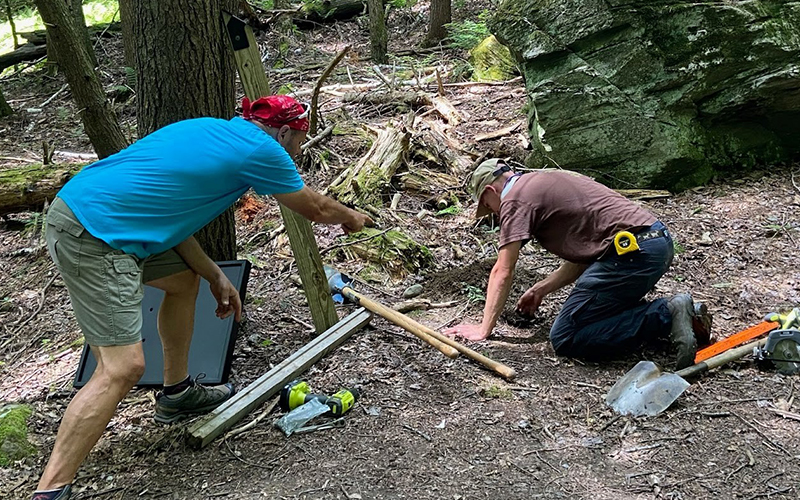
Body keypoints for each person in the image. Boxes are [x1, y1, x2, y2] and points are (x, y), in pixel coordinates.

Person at [34, 96, 372, 500]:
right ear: (283, 132)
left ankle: (177, 395)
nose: (300, 148)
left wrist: (212, 273)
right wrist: (352, 217)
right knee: (121, 369)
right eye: (299, 138)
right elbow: (315, 208)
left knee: (182, 283)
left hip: (104, 212)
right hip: (97, 235)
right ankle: (50, 490)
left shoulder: (211, 128)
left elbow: (171, 215)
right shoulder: (264, 151)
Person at [443, 159, 712, 368]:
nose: (493, 212)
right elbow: (588, 256)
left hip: (632, 254)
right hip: (654, 244)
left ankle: (667, 314)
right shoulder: (542, 182)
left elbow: (503, 269)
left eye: (488, 206)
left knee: (567, 336)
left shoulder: (515, 199)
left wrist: (483, 329)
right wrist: (541, 289)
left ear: (491, 190)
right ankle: (684, 314)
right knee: (595, 316)